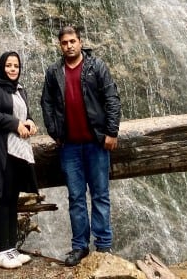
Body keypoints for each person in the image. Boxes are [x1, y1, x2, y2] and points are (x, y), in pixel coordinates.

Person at [40, 24, 121, 267]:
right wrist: (54, 131)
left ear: (80, 41)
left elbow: (112, 98)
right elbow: (46, 102)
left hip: (96, 143)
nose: (69, 46)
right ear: (60, 45)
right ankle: (79, 247)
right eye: (64, 43)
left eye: (72, 41)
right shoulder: (54, 71)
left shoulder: (96, 66)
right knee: (76, 197)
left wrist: (111, 132)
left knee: (100, 196)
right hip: (70, 147)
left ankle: (104, 246)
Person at [0, 51, 39, 270]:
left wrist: (30, 122)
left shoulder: (20, 90)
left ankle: (11, 249)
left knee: (12, 198)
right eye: (9, 65)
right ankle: (2, 251)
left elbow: (24, 113)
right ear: (2, 67)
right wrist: (14, 124)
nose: (13, 69)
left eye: (16, 66)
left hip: (18, 150)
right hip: (0, 148)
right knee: (2, 198)